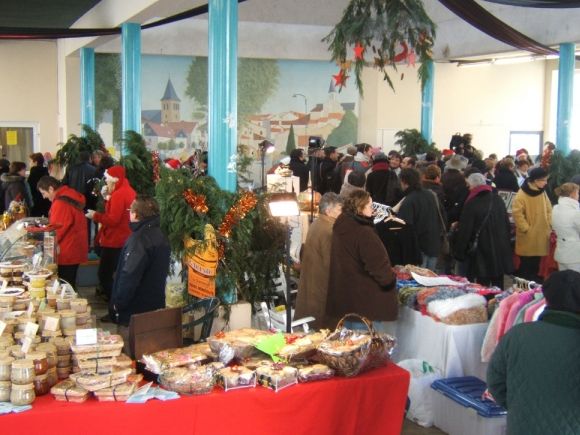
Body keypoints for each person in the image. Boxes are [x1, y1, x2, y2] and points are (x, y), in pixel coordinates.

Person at [487, 270, 580, 435]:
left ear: (547, 298)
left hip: (521, 427)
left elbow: (495, 382)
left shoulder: (517, 334)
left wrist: (520, 408)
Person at [326, 190, 397, 325]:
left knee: (352, 341)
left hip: (347, 298)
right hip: (366, 302)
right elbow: (378, 266)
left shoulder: (342, 226)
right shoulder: (363, 232)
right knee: (368, 343)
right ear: (360, 208)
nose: (373, 209)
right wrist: (389, 282)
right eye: (370, 205)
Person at [110, 195, 170, 330]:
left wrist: (118, 303)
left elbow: (129, 274)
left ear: (135, 214)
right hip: (155, 305)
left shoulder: (139, 240)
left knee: (131, 348)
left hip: (134, 312)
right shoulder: (160, 234)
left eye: (130, 211)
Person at [85, 165, 136, 310]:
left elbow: (113, 220)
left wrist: (96, 215)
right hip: (123, 238)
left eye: (107, 180)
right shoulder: (127, 191)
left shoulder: (119, 194)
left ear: (114, 180)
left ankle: (115, 307)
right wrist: (108, 198)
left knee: (105, 275)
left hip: (115, 240)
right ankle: (116, 305)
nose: (106, 183)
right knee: (114, 274)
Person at [452, 173, 513, 288]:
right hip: (500, 248)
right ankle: (499, 303)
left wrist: (459, 252)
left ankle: (486, 302)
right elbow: (506, 224)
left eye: (469, 185)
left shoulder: (472, 203)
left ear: (473, 186)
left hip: (482, 250)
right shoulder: (498, 199)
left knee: (482, 285)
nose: (468, 188)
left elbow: (465, 231)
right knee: (500, 283)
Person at [294, 193, 342, 329]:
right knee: (325, 329)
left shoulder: (317, 223)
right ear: (328, 211)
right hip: (322, 287)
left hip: (312, 282)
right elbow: (331, 264)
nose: (342, 212)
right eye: (339, 209)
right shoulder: (330, 230)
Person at [37, 176, 88, 288]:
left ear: (51, 188)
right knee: (70, 282)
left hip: (67, 250)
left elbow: (57, 229)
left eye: (43, 193)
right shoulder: (68, 195)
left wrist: (43, 243)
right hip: (74, 247)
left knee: (66, 285)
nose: (44, 197)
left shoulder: (61, 203)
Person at [397, 168, 443, 272]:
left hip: (418, 248)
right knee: (430, 281)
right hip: (433, 244)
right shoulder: (431, 195)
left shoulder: (409, 200)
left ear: (404, 182)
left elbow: (404, 228)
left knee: (418, 283)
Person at [512, 167, 552, 282]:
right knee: (526, 265)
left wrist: (549, 223)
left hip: (541, 233)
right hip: (528, 236)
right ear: (535, 180)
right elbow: (517, 214)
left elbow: (549, 208)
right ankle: (522, 290)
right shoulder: (522, 194)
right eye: (543, 180)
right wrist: (526, 228)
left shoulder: (542, 192)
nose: (546, 182)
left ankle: (533, 289)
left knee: (536, 264)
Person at [552, 182, 580, 272]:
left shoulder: (555, 208)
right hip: (574, 254)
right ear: (572, 194)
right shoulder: (575, 212)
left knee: (564, 281)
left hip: (561, 250)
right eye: (578, 193)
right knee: (576, 282)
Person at [27, 152, 51, 217]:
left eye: (30, 161)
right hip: (47, 202)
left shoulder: (34, 173)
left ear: (35, 162)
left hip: (36, 204)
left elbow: (30, 190)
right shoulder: (45, 172)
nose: (29, 163)